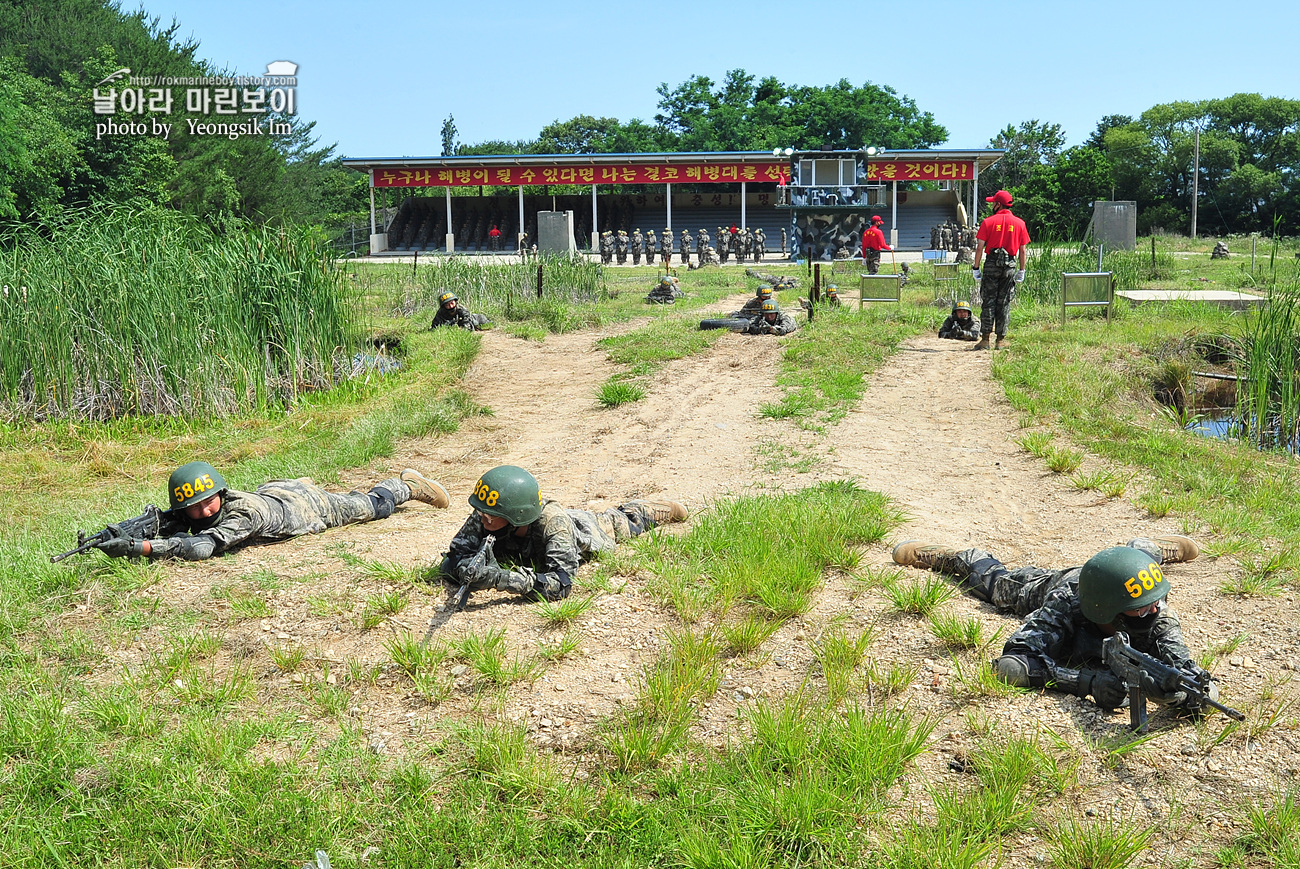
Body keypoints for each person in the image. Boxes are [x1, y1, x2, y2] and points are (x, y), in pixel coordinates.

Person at [892, 535, 1220, 713]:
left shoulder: (1155, 611)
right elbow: (1012, 666)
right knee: (997, 586)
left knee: (1134, 559)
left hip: (1119, 582)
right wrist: (1086, 683)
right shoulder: (1066, 603)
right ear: (1108, 613)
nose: (1154, 611)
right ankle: (954, 556)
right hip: (1069, 584)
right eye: (1141, 608)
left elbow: (1198, 683)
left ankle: (1149, 547)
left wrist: (1173, 694)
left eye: (1156, 603)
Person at [95, 461, 449, 562]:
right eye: (194, 507)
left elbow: (202, 546)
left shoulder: (241, 514)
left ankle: (406, 484)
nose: (204, 510)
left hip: (310, 508)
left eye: (208, 501)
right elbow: (178, 521)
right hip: (272, 491)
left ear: (220, 491)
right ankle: (300, 482)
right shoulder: (204, 507)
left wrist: (139, 548)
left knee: (374, 507)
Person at [439, 465, 686, 601]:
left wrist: (502, 579)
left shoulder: (554, 524)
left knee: (621, 523)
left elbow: (561, 585)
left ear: (517, 515)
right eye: (481, 513)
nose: (483, 518)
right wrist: (466, 569)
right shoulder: (487, 512)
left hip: (584, 528)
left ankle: (650, 509)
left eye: (490, 515)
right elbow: (456, 554)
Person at [971, 190, 1030, 351]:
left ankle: (985, 340)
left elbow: (979, 248)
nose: (992, 205)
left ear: (999, 204)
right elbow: (1022, 251)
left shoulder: (988, 222)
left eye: (993, 203)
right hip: (1009, 266)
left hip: (991, 264)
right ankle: (1000, 340)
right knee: (1004, 302)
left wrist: (976, 268)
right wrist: (1022, 270)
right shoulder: (1020, 223)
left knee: (988, 301)